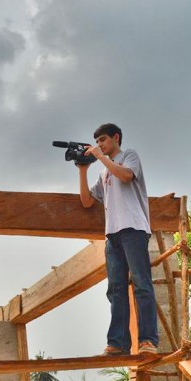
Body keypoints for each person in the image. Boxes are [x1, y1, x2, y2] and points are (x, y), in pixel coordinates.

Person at [77, 123, 158, 355]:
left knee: (142, 284)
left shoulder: (129, 156)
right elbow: (86, 201)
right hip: (112, 235)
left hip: (134, 229)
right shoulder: (104, 172)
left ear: (116, 137)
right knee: (115, 289)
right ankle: (119, 343)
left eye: (103, 140)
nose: (100, 144)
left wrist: (101, 157)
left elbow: (126, 176)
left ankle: (148, 341)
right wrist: (82, 170)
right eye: (98, 141)